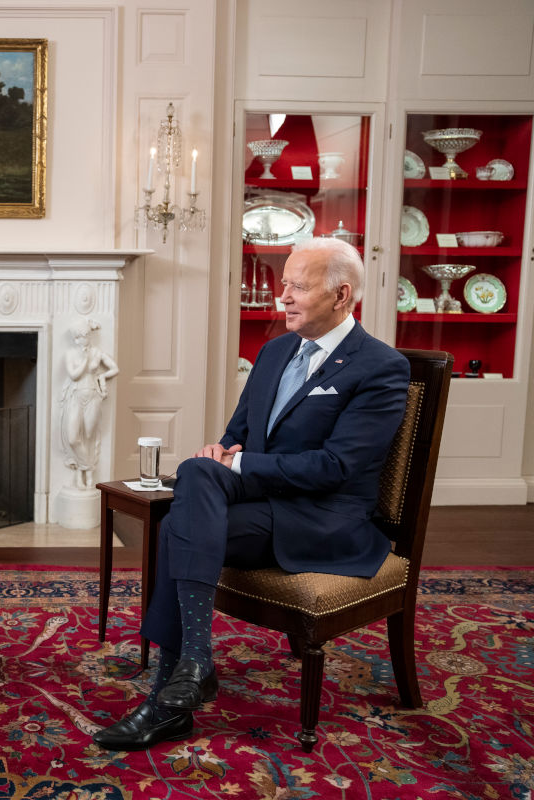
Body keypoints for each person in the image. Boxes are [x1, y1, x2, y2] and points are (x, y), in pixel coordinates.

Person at [92, 237, 410, 751]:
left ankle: (172, 696)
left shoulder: (380, 367)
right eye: (285, 284)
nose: (283, 296)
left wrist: (235, 462)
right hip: (264, 503)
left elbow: (337, 467)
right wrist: (220, 452)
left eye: (299, 287)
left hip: (321, 519)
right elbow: (237, 434)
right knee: (197, 472)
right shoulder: (274, 351)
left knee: (175, 527)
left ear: (341, 295)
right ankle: (193, 666)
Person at [60, 319, 119, 489]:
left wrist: (102, 376)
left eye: (84, 336)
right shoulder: (71, 354)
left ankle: (81, 472)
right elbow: (74, 375)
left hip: (93, 396)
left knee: (88, 436)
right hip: (76, 396)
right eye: (78, 337)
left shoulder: (97, 353)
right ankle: (88, 468)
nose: (81, 340)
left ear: (88, 336)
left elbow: (115, 369)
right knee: (73, 438)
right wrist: (85, 361)